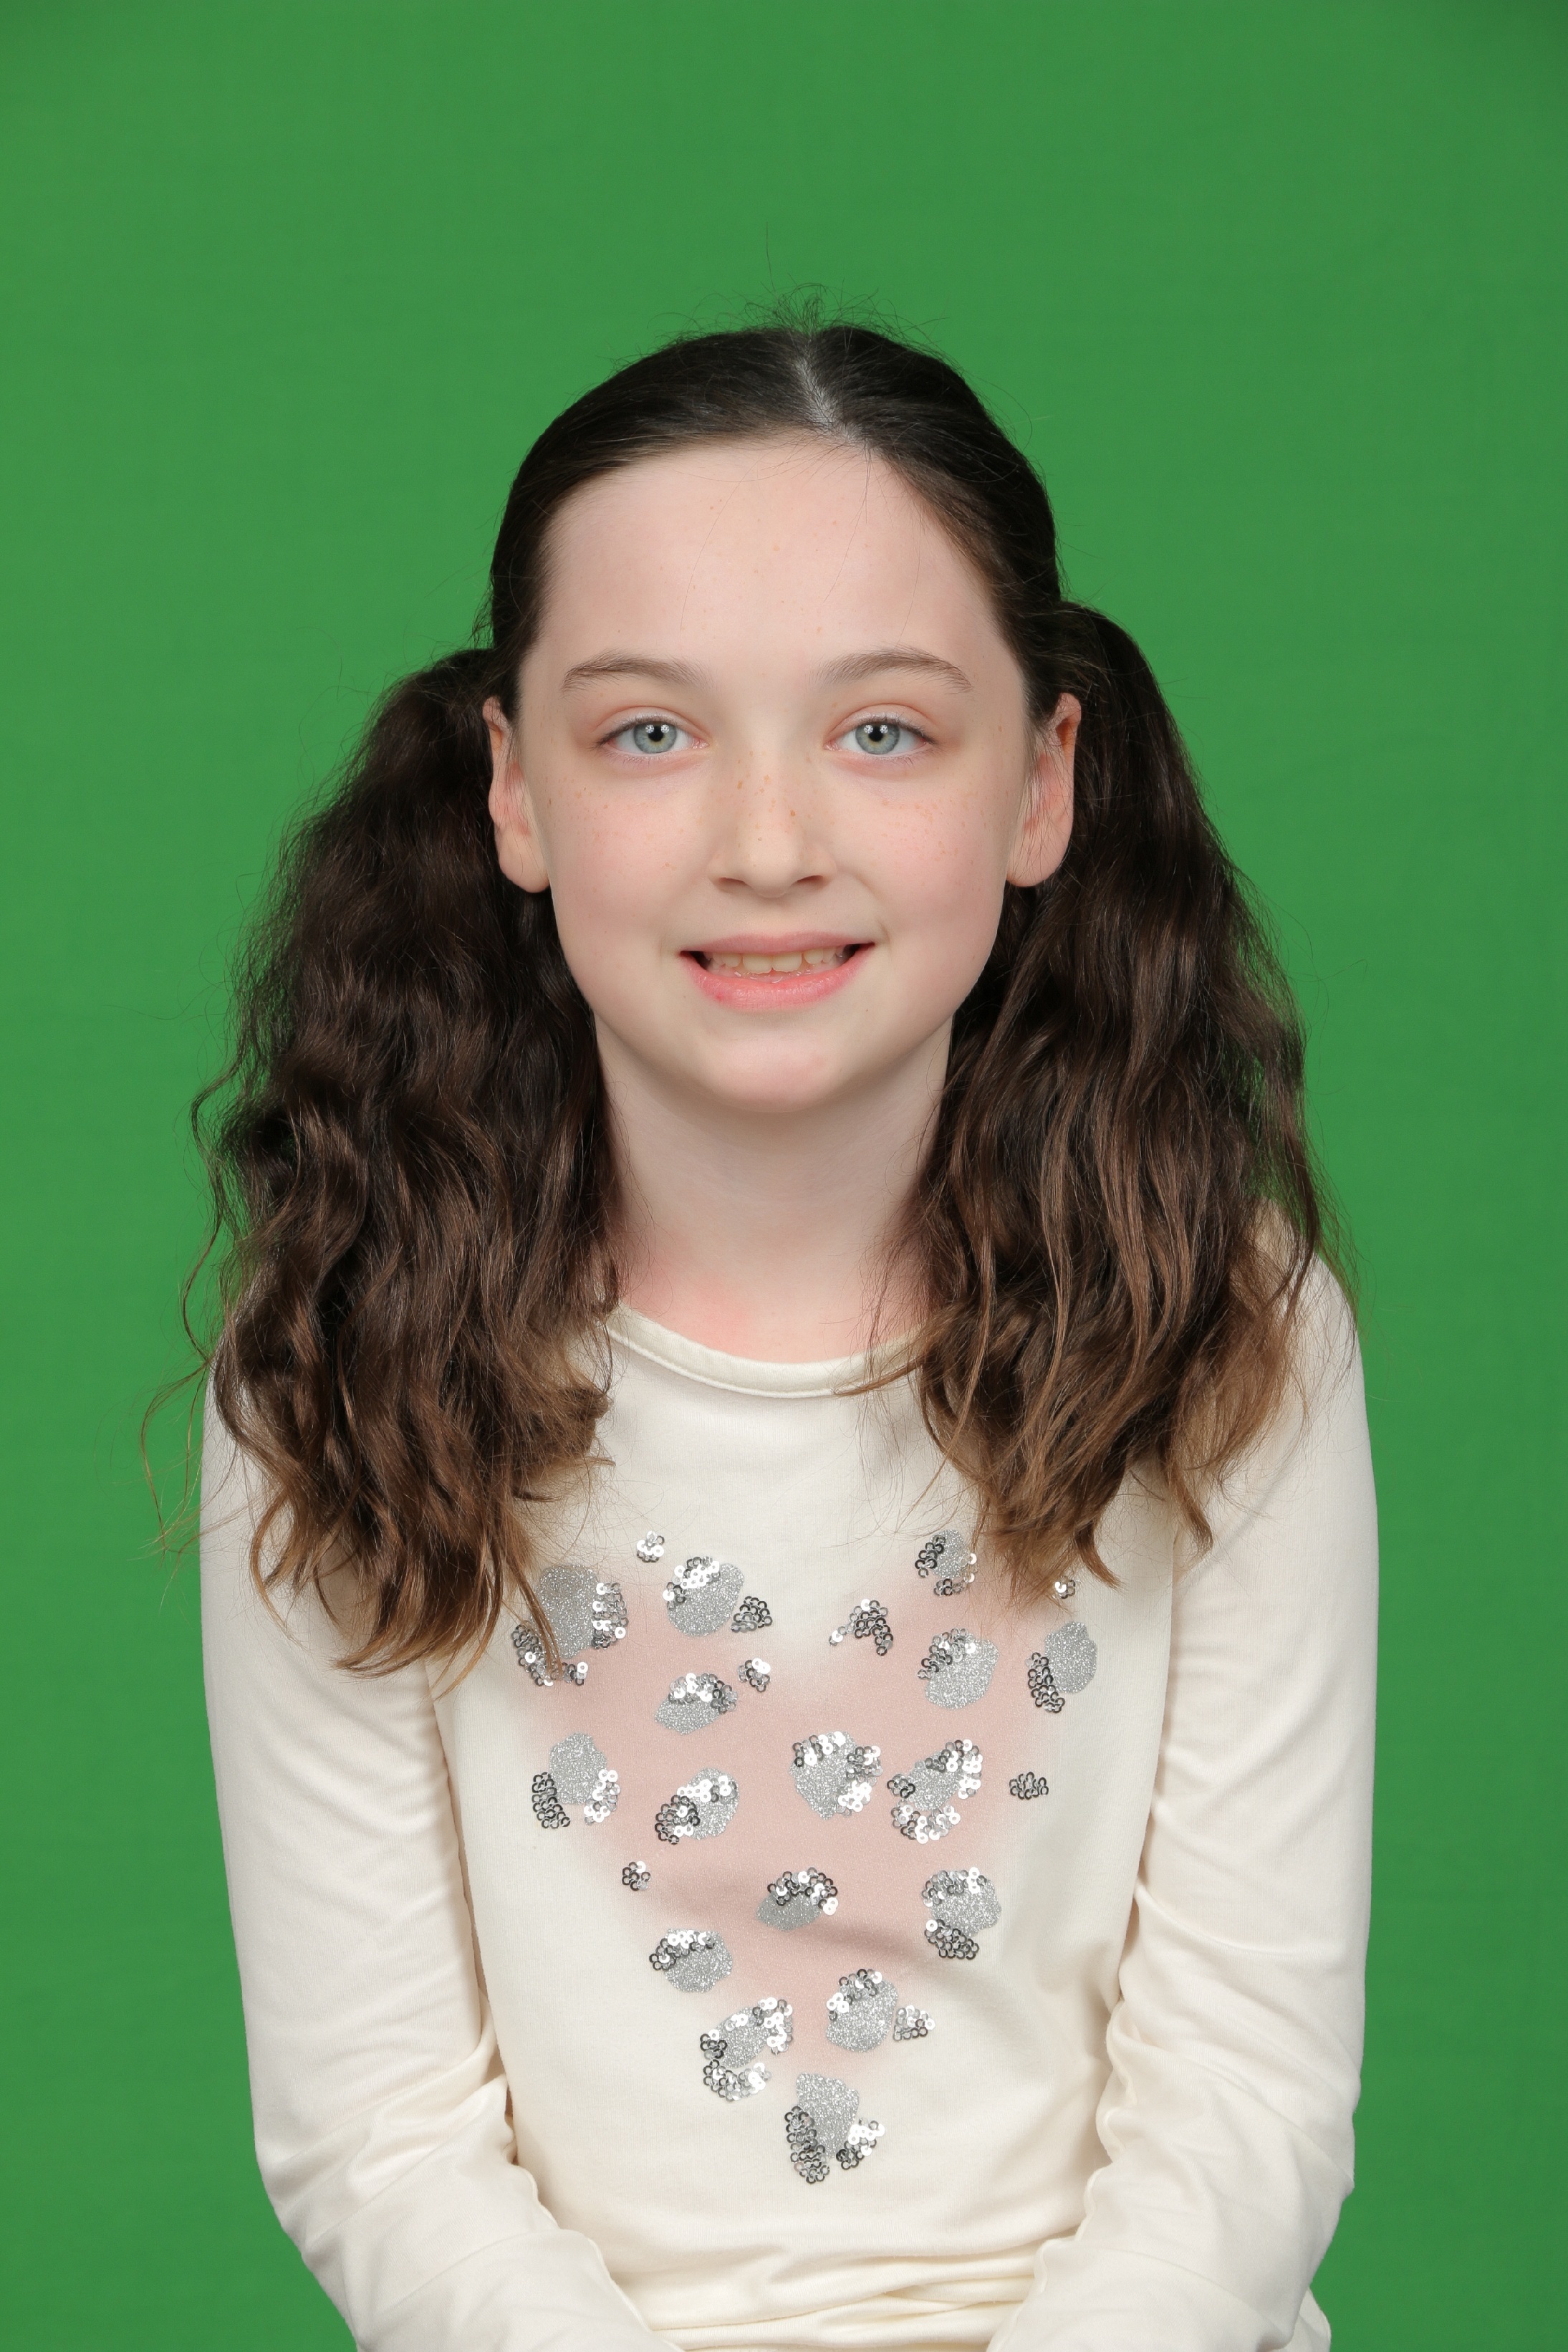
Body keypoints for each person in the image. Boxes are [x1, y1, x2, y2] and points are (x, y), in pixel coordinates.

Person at [197, 317, 1377, 2352]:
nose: (766, 842)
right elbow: (380, 2142)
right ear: (514, 789)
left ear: (1043, 782)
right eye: (650, 732)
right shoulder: (338, 1346)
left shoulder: (1231, 1325)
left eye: (883, 731)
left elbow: (1247, 2107)